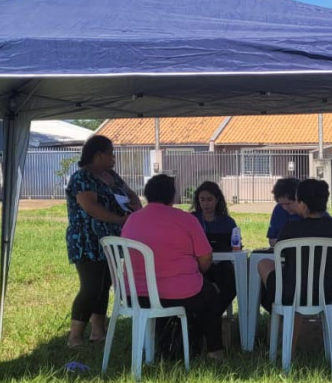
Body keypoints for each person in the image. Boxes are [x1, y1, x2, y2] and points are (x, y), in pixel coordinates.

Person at [122, 174, 226, 360]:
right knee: (211, 296)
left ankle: (163, 346)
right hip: (178, 295)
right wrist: (197, 273)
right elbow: (205, 257)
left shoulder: (132, 220)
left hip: (134, 295)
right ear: (172, 196)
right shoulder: (186, 220)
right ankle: (214, 351)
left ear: (147, 195)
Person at [65, 135, 142, 348]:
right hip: (87, 239)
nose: (114, 157)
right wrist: (120, 219)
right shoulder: (82, 178)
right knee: (91, 285)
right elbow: (92, 208)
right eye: (110, 153)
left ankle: (98, 332)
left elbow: (131, 195)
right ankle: (75, 336)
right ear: (98, 155)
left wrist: (135, 211)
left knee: (104, 284)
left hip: (112, 239)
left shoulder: (112, 176)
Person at [258, 179, 332, 346]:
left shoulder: (291, 229)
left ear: (304, 205)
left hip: (292, 293)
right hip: (327, 293)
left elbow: (282, 254)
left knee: (263, 263)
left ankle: (282, 319)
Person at [189, 181, 237, 317]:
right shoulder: (192, 219)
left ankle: (211, 315)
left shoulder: (227, 221)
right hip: (199, 265)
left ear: (217, 200)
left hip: (222, 265)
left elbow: (235, 245)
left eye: (209, 199)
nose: (206, 204)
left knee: (232, 283)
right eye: (202, 200)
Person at [267, 177, 302, 247]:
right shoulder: (278, 210)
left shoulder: (312, 213)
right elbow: (272, 239)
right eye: (281, 204)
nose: (285, 208)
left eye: (288, 204)